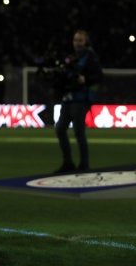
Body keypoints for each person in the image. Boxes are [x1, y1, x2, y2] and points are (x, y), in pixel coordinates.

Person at [54, 30, 103, 173]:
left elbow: (99, 76)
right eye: (76, 40)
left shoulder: (90, 57)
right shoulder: (72, 57)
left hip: (81, 98)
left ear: (85, 42)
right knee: (61, 128)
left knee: (78, 131)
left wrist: (85, 79)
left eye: (80, 40)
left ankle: (83, 164)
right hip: (69, 98)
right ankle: (68, 162)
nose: (77, 43)